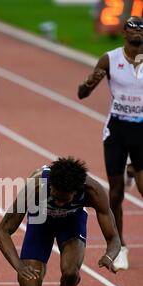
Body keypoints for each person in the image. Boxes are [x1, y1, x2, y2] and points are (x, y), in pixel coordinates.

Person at [0, 158, 121, 286]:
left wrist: (109, 256)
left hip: (71, 223)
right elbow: (2, 232)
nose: (60, 203)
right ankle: (40, 261)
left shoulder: (93, 191)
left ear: (77, 191)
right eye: (57, 197)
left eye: (65, 199)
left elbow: (114, 237)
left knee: (70, 272)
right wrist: (19, 265)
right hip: (41, 221)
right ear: (51, 186)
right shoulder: (36, 186)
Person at [78, 16, 143, 272]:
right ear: (124, 33)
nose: (137, 33)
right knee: (115, 193)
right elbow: (81, 94)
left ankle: (132, 171)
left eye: (141, 29)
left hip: (141, 131)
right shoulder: (109, 58)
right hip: (116, 131)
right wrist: (89, 82)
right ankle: (121, 246)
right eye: (133, 29)